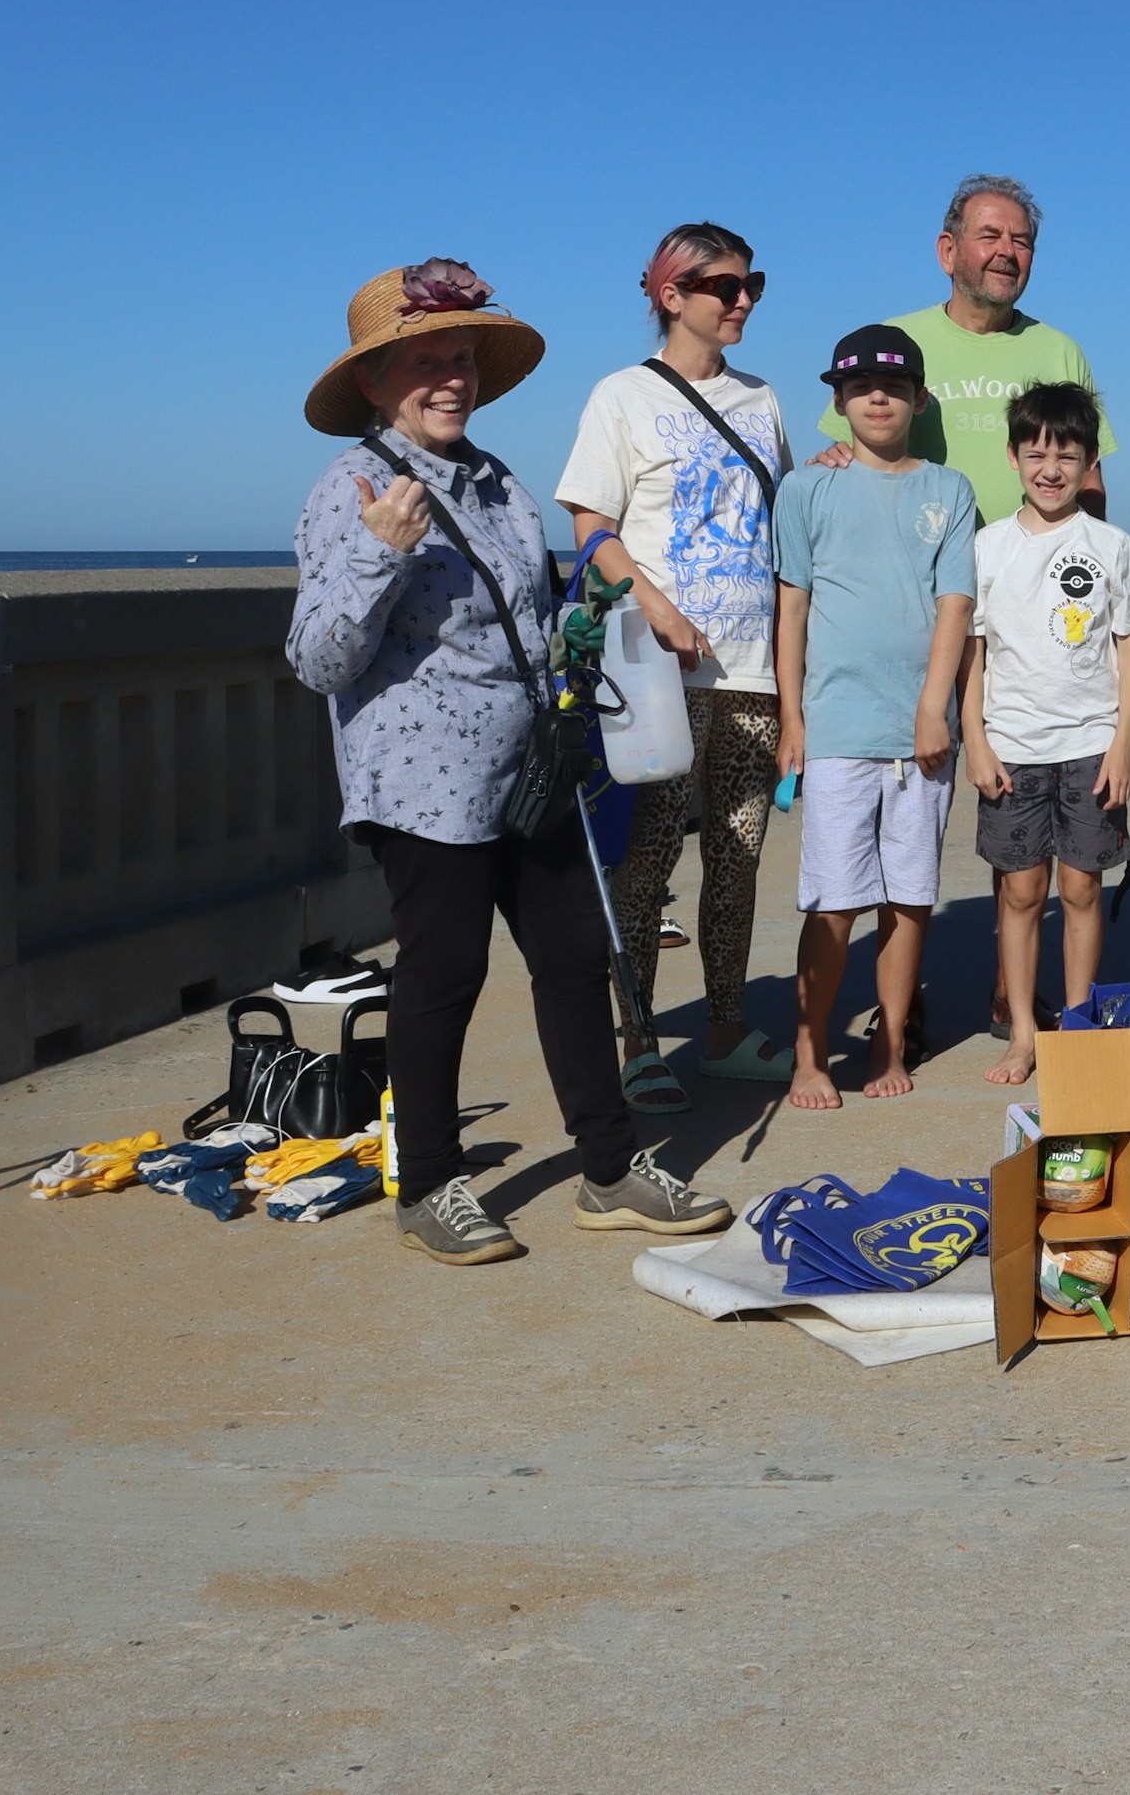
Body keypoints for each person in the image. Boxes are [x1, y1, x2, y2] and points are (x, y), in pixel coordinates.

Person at [285, 258, 733, 1265]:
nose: (450, 378)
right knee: (443, 972)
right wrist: (374, 553)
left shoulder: (498, 483)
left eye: (461, 358)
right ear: (372, 382)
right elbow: (317, 658)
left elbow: (529, 617)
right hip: (422, 787)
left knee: (577, 961)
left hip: (533, 771)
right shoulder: (349, 487)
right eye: (423, 363)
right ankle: (431, 1183)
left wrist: (594, 621)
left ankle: (611, 1170)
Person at [555, 223, 794, 1102]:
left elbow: (783, 522)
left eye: (751, 284)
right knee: (646, 859)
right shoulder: (621, 396)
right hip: (658, 674)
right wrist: (654, 604)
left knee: (737, 855)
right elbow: (591, 523)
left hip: (752, 669)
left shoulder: (763, 401)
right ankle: (639, 1040)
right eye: (724, 286)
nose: (742, 301)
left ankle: (725, 1025)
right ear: (670, 294)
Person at [774, 323, 981, 1104]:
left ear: (918, 398)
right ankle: (808, 1050)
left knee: (909, 898)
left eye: (893, 388)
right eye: (861, 388)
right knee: (834, 901)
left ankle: (889, 1045)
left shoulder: (949, 491)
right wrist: (793, 719)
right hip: (835, 730)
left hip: (921, 737)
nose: (877, 400)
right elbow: (792, 609)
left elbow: (954, 605)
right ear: (838, 401)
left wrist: (937, 711)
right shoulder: (807, 488)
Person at [960, 382, 1130, 1086]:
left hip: (1090, 747)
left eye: (1067, 454)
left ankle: (1075, 1025)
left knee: (1080, 889)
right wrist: (974, 740)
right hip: (1011, 747)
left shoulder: (1110, 544)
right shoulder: (986, 548)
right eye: (1036, 452)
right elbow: (972, 650)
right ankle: (1022, 1032)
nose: (1050, 468)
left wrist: (1123, 743)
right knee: (1019, 894)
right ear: (1012, 456)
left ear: (1089, 462)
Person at [809, 174, 1113, 523]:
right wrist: (830, 460)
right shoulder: (894, 344)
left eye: (1022, 242)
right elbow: (844, 453)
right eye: (989, 236)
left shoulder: (1061, 351)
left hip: (1033, 572)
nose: (1007, 252)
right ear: (947, 251)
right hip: (919, 572)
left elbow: (1090, 482)